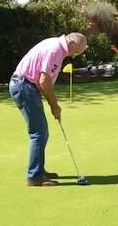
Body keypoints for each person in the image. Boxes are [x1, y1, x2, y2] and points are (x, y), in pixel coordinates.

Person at [9, 33, 88, 186]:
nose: (75, 56)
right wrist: (54, 105)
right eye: (77, 51)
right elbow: (44, 81)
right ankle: (34, 177)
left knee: (41, 131)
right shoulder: (56, 50)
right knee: (39, 132)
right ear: (71, 43)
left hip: (27, 86)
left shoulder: (56, 46)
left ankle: (39, 170)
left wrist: (53, 104)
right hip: (24, 86)